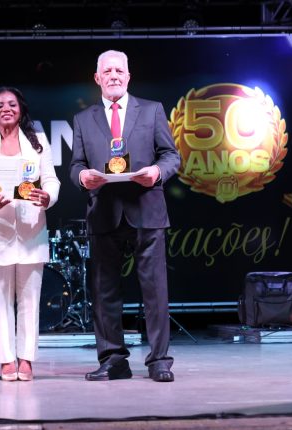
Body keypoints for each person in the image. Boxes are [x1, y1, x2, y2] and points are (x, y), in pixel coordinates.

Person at [69, 50, 180, 383]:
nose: (114, 75)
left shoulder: (152, 110)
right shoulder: (83, 119)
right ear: (97, 78)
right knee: (104, 293)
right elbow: (76, 165)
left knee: (155, 291)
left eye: (119, 70)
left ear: (128, 76)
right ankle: (113, 360)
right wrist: (82, 177)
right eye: (107, 71)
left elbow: (171, 156)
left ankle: (159, 360)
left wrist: (156, 173)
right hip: (104, 212)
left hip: (146, 207)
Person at [0, 87, 60, 381]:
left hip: (32, 228)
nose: (6, 109)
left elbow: (51, 180)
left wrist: (48, 197)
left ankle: (27, 359)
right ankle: (7, 359)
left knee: (30, 300)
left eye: (11, 104)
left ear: (21, 109)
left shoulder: (39, 142)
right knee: (0, 299)